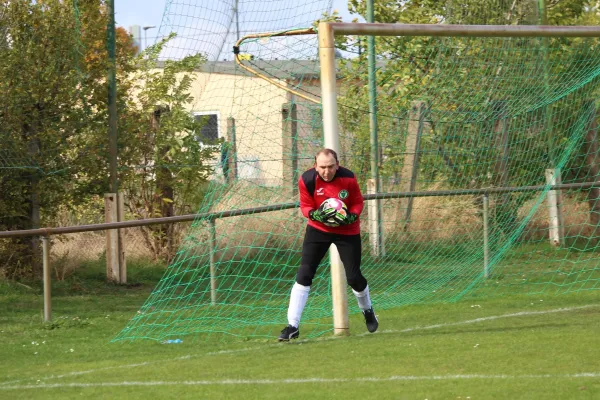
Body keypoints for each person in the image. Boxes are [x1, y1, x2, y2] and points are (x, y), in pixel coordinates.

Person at [278, 148, 378, 341]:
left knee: (354, 277)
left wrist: (352, 216)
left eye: (330, 166)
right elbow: (305, 206)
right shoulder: (307, 180)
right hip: (318, 230)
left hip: (347, 231)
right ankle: (292, 326)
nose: (326, 171)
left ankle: (367, 310)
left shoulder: (348, 178)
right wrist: (314, 214)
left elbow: (358, 202)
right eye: (322, 167)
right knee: (304, 273)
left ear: (337, 165)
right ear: (315, 166)